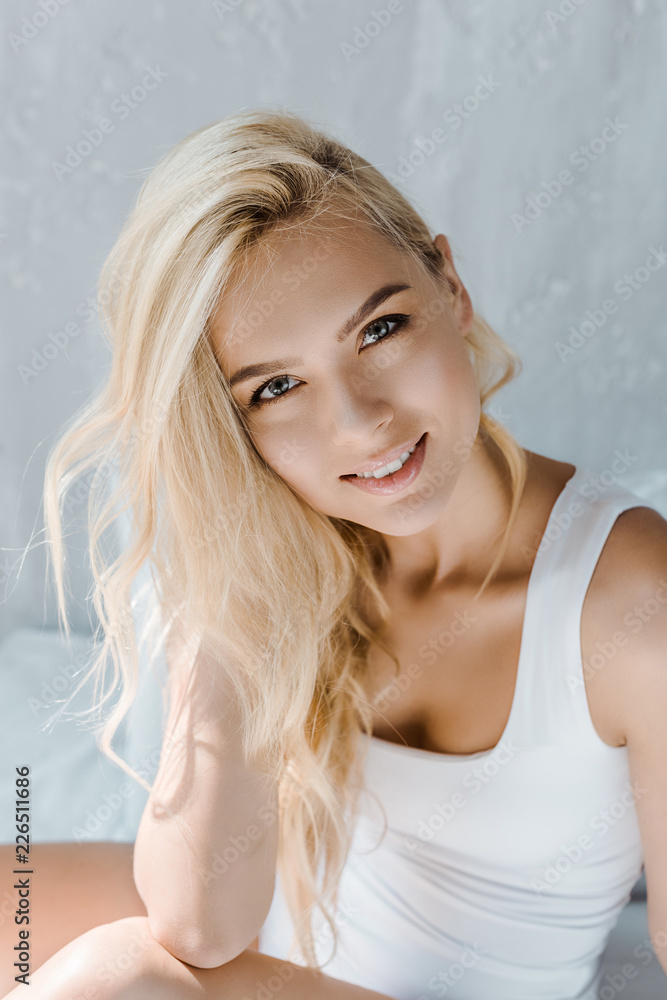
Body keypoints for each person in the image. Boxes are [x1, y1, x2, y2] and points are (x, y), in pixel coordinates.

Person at [3, 107, 666, 1000]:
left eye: (380, 330)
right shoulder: (280, 549)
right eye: (276, 387)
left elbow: (176, 955)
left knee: (116, 978)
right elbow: (200, 923)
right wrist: (225, 570)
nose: (359, 422)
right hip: (271, 940)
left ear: (449, 285)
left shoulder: (630, 599)